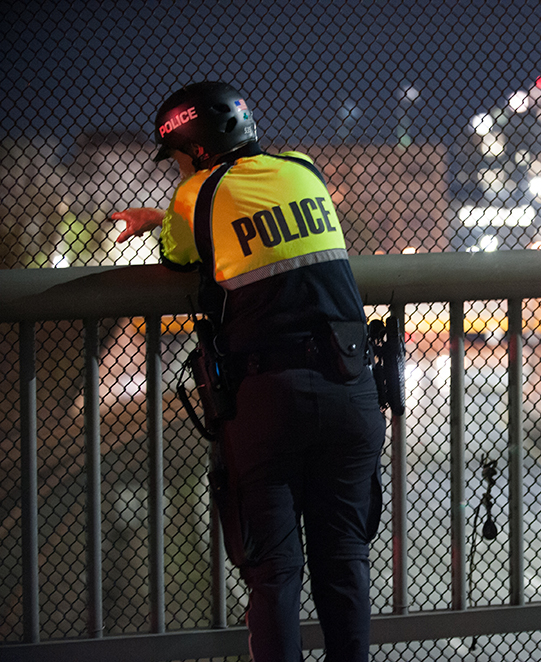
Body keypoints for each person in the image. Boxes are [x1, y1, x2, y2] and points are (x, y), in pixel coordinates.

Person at [111, 81, 386, 662]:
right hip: (351, 384)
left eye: (179, 157)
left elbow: (183, 254)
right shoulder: (303, 170)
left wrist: (161, 215)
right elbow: (251, 214)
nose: (178, 169)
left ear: (197, 149)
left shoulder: (192, 197)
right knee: (343, 565)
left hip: (267, 399)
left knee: (275, 575)